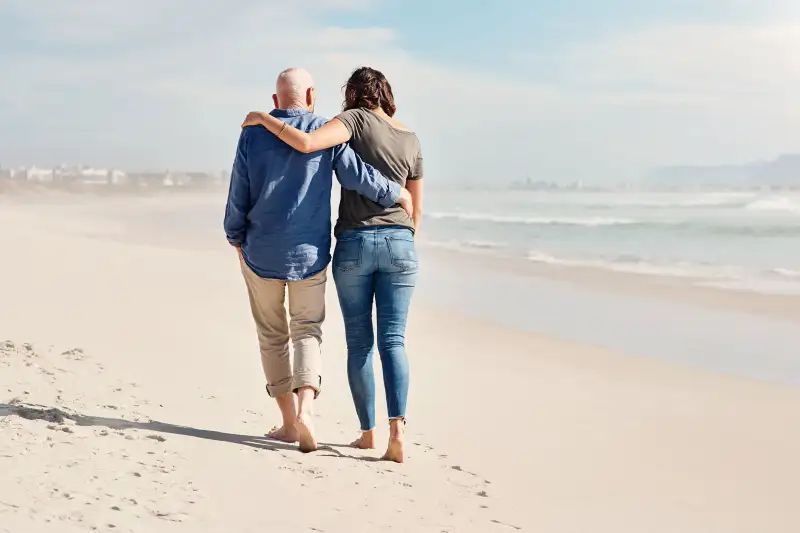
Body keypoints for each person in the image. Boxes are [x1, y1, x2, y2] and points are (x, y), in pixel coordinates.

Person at [225, 67, 413, 453]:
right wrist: (398, 194)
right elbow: (359, 176)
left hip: (260, 251)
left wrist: (235, 235)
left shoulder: (253, 134)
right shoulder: (325, 132)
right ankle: (307, 410)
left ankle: (289, 423)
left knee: (272, 336)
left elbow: (238, 190)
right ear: (311, 95)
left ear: (276, 101)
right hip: (309, 254)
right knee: (307, 329)